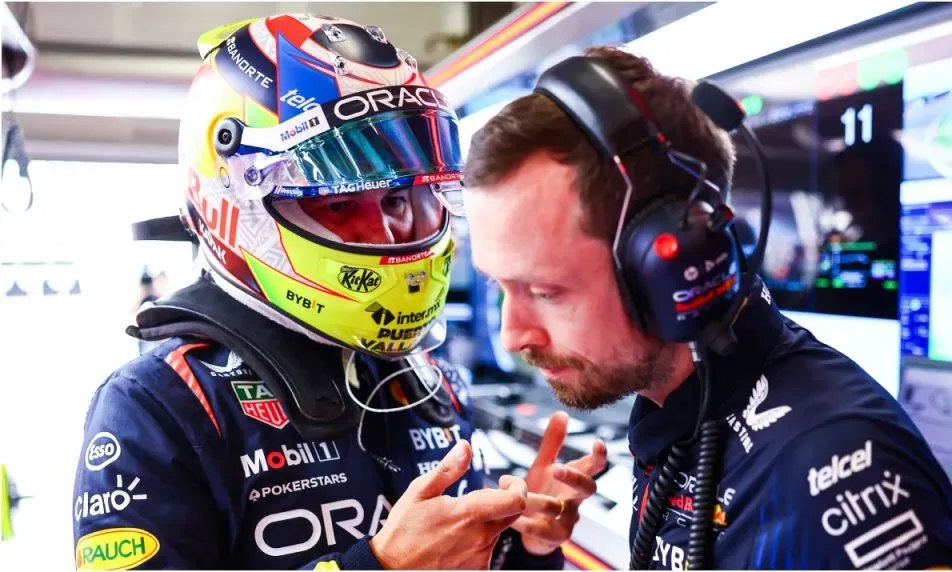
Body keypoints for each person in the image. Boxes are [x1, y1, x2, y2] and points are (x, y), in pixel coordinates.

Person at [71, 15, 606, 570]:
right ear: (237, 203)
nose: (388, 233)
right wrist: (377, 566)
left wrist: (521, 543)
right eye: (340, 204)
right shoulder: (155, 405)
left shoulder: (425, 379)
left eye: (398, 199)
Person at [461, 46, 952, 570]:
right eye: (500, 287)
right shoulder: (681, 408)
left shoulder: (841, 476)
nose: (511, 335)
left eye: (546, 292)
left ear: (672, 266)